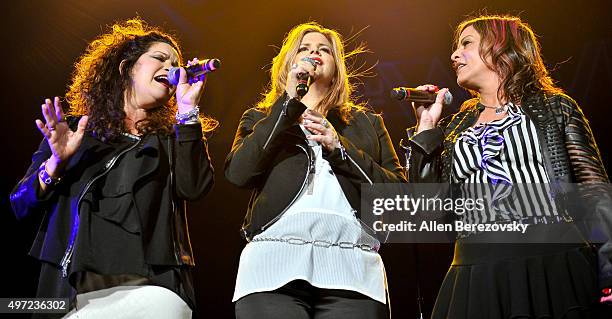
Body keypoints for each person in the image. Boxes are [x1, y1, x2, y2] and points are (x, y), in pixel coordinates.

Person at [406, 15, 612, 318]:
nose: (454, 55)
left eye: (466, 44)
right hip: (477, 273)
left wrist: (608, 270)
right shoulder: (455, 127)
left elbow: (595, 195)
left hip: (551, 263)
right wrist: (425, 129)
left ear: (501, 47)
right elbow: (428, 212)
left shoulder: (554, 108)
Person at [10, 18, 215, 318]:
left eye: (176, 63)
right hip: (72, 299)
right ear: (126, 68)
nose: (172, 68)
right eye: (160, 58)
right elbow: (20, 204)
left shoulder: (172, 140)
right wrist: (55, 163)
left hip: (148, 292)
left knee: (168, 307)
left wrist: (187, 113)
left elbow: (194, 187)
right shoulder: (75, 132)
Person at [225, 22, 406, 319]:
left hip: (353, 272)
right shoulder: (261, 117)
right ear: (289, 63)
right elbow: (239, 173)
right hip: (272, 267)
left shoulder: (367, 123)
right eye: (305, 49)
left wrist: (340, 148)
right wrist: (287, 107)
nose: (315, 53)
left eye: (324, 50)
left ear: (336, 67)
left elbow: (397, 196)